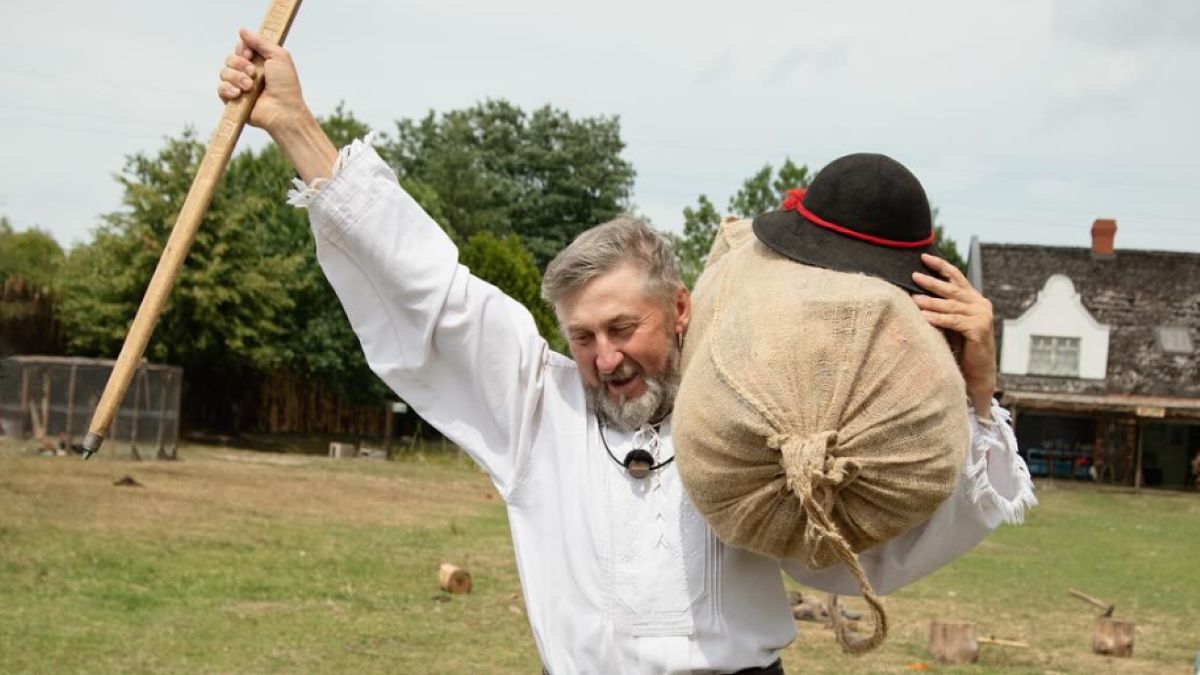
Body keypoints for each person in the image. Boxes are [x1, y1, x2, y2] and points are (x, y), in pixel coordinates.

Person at [218, 29, 1034, 674]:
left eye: (622, 328)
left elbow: (863, 541)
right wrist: (293, 122)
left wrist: (977, 394)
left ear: (680, 309)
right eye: (583, 336)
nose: (604, 358)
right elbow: (425, 291)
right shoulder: (532, 408)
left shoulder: (756, 408)